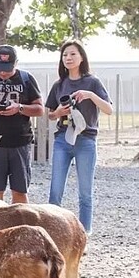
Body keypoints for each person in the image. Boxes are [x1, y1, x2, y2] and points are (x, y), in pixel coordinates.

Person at [45, 39, 112, 235]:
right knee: (55, 191)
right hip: (62, 140)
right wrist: (58, 112)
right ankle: (52, 233)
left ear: (82, 57)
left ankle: (83, 234)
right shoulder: (59, 84)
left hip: (86, 140)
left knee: (85, 193)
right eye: (65, 55)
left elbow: (108, 109)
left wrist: (90, 95)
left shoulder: (93, 82)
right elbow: (50, 114)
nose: (68, 58)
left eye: (73, 54)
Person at [0, 44, 44, 203]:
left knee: (20, 192)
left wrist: (20, 108)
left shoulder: (26, 79)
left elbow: (40, 109)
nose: (3, 72)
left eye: (7, 68)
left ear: (16, 63)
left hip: (20, 142)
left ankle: (22, 225)